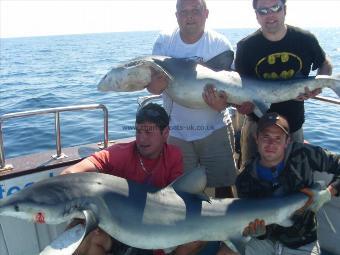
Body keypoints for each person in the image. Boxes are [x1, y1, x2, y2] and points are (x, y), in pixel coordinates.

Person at [61, 103, 188, 255]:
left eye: (148, 132)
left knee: (196, 239)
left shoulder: (174, 156)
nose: (141, 138)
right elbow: (70, 174)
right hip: (119, 229)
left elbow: (179, 201)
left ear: (165, 133)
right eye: (138, 131)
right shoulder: (119, 154)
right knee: (84, 237)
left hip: (155, 228)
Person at [148, 0, 238, 199]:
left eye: (195, 11)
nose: (189, 16)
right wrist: (152, 87)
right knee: (181, 193)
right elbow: (153, 87)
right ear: (177, 15)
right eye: (184, 12)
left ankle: (227, 229)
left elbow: (234, 89)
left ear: (206, 13)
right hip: (177, 132)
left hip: (215, 128)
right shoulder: (164, 42)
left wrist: (224, 104)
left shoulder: (219, 44)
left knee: (224, 187)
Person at [234, 0, 333, 166]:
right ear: (256, 15)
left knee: (295, 178)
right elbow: (239, 87)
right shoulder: (246, 47)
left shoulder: (304, 39)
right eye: (263, 11)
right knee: (251, 178)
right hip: (257, 127)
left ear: (284, 10)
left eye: (275, 8)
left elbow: (325, 63)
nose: (270, 14)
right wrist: (241, 105)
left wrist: (318, 86)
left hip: (293, 126)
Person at [236, 112, 340, 255]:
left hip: (302, 241)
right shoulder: (244, 179)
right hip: (264, 241)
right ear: (256, 138)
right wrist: (258, 233)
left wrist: (328, 193)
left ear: (287, 141)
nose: (271, 144)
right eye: (266, 137)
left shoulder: (304, 154)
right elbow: (251, 223)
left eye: (278, 138)